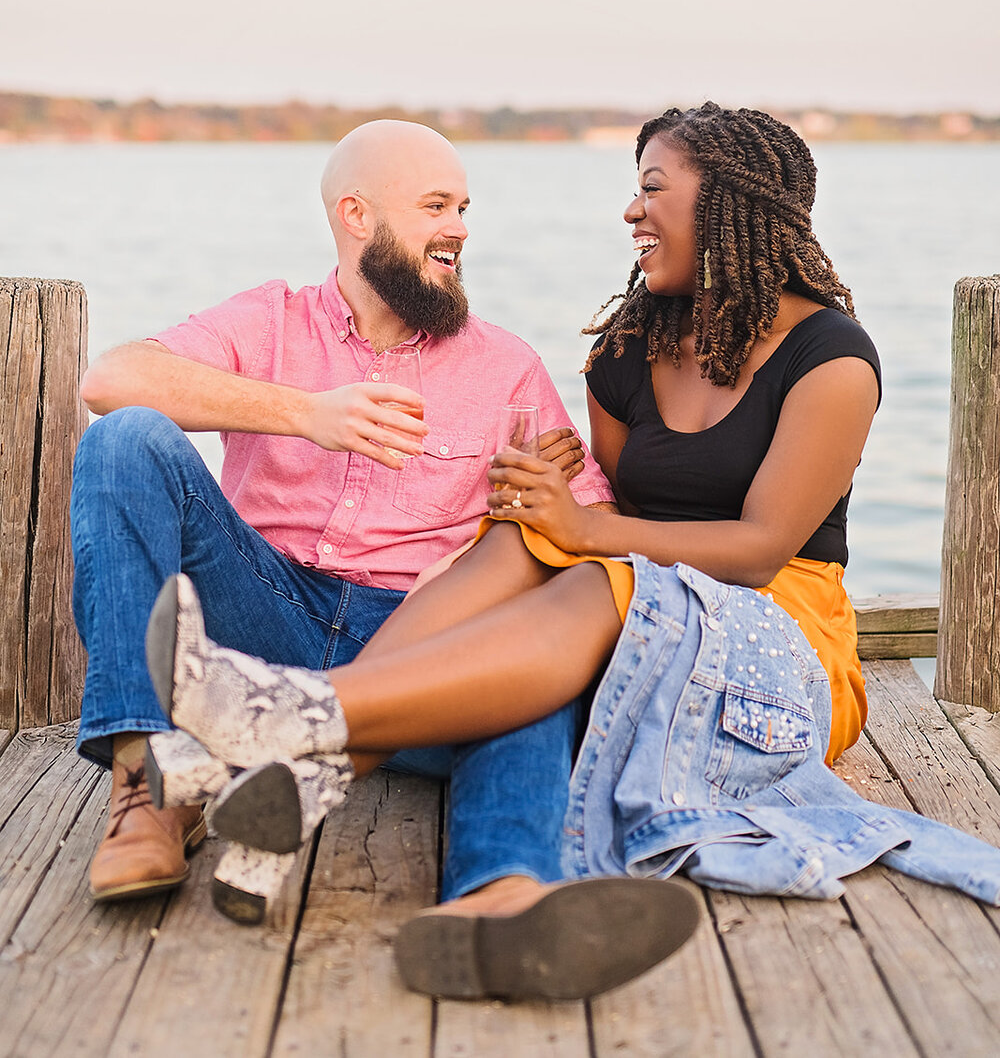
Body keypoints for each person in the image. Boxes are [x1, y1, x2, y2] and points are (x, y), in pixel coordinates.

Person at [140, 102, 885, 995]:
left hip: (773, 639)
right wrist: (540, 500)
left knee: (578, 573)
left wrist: (585, 529)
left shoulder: (832, 360)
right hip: (633, 604)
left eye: (653, 188)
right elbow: (596, 511)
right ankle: (332, 774)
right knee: (523, 533)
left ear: (729, 204)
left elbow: (762, 549)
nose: (630, 212)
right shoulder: (630, 347)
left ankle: (292, 725)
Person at [72, 119, 695, 1000]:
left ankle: (503, 893)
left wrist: (493, 541)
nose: (461, 228)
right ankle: (148, 787)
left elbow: (583, 528)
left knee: (528, 667)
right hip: (263, 612)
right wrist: (304, 414)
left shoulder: (507, 368)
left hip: (415, 641)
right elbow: (111, 382)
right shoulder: (271, 320)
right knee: (124, 443)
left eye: (465, 208)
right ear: (356, 215)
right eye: (437, 206)